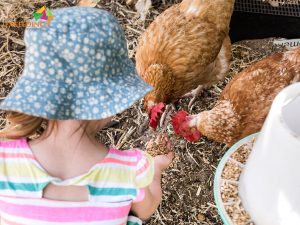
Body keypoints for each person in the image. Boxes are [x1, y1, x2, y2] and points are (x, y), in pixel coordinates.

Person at [0, 6, 173, 225]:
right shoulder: (130, 171)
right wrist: (156, 168)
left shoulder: (4, 159)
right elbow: (146, 210)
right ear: (111, 99)